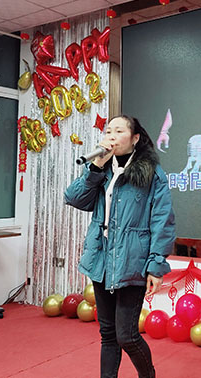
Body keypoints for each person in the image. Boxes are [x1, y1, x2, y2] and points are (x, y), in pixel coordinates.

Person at [64, 115, 176, 378]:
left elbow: (163, 219)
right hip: (102, 260)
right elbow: (74, 198)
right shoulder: (102, 169)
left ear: (135, 138)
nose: (111, 136)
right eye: (108, 131)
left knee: (127, 335)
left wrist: (156, 264)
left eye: (118, 131)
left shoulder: (152, 174)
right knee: (108, 334)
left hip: (131, 261)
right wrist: (95, 168)